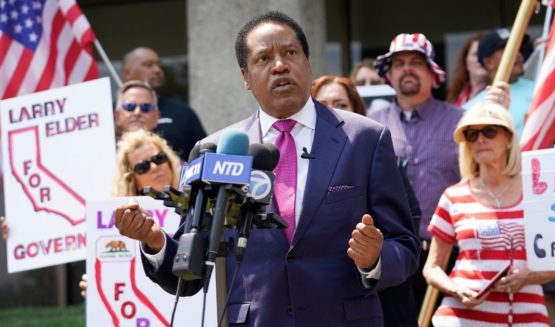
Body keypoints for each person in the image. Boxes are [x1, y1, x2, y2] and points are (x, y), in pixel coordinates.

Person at [114, 11, 419, 326]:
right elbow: (190, 272)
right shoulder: (216, 150)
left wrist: (374, 259)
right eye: (263, 58)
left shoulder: (365, 139)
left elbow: (406, 247)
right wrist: (155, 242)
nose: (280, 65)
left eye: (290, 53)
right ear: (245, 77)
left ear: (308, 63)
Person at [423, 100, 555, 326]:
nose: (481, 139)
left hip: (526, 317)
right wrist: (456, 289)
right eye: (472, 135)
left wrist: (527, 276)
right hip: (462, 317)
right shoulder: (453, 196)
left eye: (489, 131)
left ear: (508, 139)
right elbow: (432, 267)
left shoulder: (539, 190)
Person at [312, 74, 421, 326]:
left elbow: (407, 228)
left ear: (356, 110)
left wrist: (373, 258)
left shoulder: (377, 153)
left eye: (340, 104)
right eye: (322, 104)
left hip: (380, 303)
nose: (331, 111)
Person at [368, 32, 463, 311]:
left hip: (447, 254)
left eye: (416, 62)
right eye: (399, 63)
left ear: (433, 73)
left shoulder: (461, 122)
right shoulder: (370, 127)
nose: (407, 68)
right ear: (389, 74)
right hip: (392, 254)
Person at [78, 129, 182, 297]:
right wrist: (99, 286)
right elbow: (117, 271)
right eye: (142, 167)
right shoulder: (119, 221)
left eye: (159, 158)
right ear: (133, 179)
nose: (155, 167)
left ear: (169, 161)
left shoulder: (198, 206)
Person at [122, 47, 207, 161]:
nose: (157, 70)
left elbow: (204, 156)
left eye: (158, 64)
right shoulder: (107, 114)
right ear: (127, 73)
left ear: (156, 115)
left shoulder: (182, 112)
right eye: (148, 65)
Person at [463, 28, 535, 137]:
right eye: (508, 50)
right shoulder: (472, 109)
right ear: (489, 62)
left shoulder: (543, 89)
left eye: (518, 48)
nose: (518, 54)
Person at [447, 32, 488, 107]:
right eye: (475, 54)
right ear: (465, 61)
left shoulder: (497, 91)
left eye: (485, 54)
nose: (480, 59)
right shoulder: (458, 92)